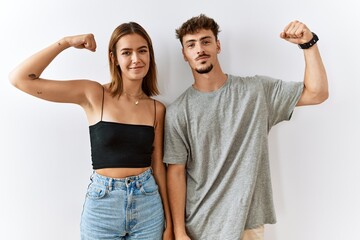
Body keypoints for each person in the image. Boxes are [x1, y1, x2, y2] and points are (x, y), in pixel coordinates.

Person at [164, 14, 328, 240]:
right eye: (191, 45)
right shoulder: (177, 112)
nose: (199, 49)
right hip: (200, 227)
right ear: (184, 54)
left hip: (247, 225)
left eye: (206, 41)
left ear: (218, 45)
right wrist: (179, 231)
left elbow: (317, 93)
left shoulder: (256, 90)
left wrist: (309, 44)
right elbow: (176, 172)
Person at [9, 22, 173, 240]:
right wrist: (66, 42)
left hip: (148, 205)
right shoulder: (94, 94)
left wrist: (170, 224)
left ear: (150, 55)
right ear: (114, 58)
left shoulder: (156, 109)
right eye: (126, 52)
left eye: (142, 50)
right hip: (103, 206)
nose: (136, 59)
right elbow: (20, 79)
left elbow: (159, 167)